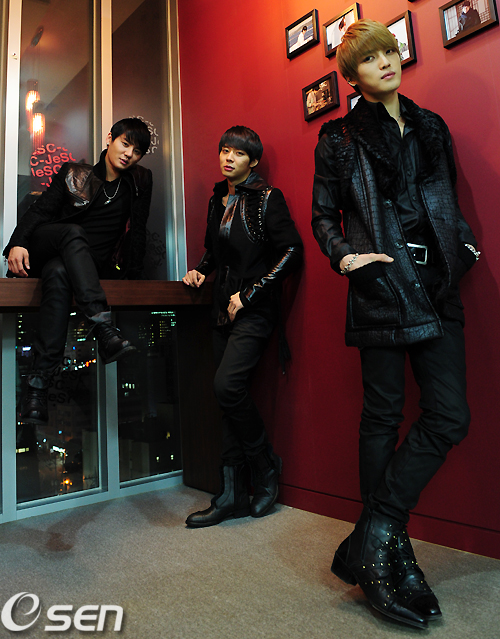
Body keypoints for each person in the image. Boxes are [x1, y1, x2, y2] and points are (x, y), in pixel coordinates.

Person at [311, 20, 479, 629]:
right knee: (382, 415)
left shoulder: (432, 125)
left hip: (437, 284)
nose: (386, 61)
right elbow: (322, 214)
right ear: (352, 76)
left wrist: (464, 249)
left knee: (450, 415)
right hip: (381, 282)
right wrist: (345, 257)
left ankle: (373, 533)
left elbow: (447, 198)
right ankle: (390, 554)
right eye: (370, 58)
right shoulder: (338, 137)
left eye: (389, 51)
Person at [182, 126, 302, 528]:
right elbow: (213, 251)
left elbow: (292, 251)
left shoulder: (267, 198)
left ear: (253, 160)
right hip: (221, 310)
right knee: (225, 399)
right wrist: (200, 271)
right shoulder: (218, 199)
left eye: (237, 153)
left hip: (253, 311)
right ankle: (231, 493)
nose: (228, 158)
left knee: (227, 386)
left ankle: (265, 464)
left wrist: (249, 295)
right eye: (224, 150)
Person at [4, 118, 152, 424]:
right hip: (52, 241)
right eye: (125, 144)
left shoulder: (139, 182)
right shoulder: (74, 173)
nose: (129, 154)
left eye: (137, 151)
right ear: (110, 138)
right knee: (72, 233)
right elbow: (40, 211)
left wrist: (134, 280)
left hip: (83, 263)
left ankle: (37, 389)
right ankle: (101, 325)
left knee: (59, 273)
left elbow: (138, 232)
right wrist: (17, 244)